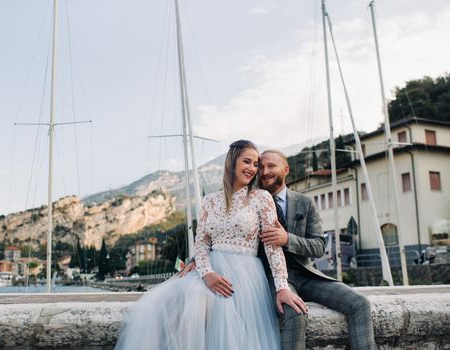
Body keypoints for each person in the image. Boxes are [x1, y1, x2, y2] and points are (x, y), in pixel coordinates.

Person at [115, 140, 306, 350]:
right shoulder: (209, 201)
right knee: (176, 307)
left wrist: (282, 288)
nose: (252, 169)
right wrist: (207, 274)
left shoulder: (261, 198)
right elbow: (202, 244)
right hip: (211, 271)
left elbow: (272, 247)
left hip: (246, 278)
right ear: (232, 162)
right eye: (247, 162)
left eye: (255, 164)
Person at [182, 149, 377, 350]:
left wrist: (288, 239)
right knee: (295, 314)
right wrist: (196, 260)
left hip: (307, 275)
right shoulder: (249, 200)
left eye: (271, 166)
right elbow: (221, 233)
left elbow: (319, 246)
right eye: (261, 166)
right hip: (269, 279)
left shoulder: (304, 202)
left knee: (360, 303)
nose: (265, 171)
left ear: (286, 169)